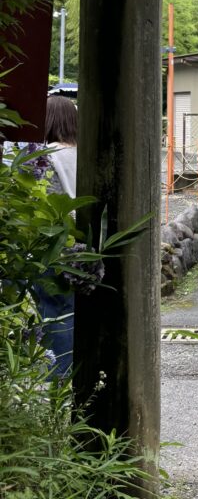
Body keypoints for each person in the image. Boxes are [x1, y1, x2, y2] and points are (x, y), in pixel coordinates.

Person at [33, 95, 78, 377]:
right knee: (73, 312)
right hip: (86, 246)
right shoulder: (85, 152)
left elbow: (41, 204)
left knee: (55, 311)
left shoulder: (45, 156)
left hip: (54, 244)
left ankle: (60, 379)